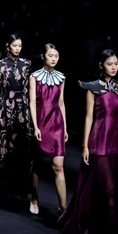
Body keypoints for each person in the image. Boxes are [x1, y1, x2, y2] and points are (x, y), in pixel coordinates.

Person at [59, 49, 118, 234]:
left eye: (116, 64)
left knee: (110, 186)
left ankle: (103, 227)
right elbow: (88, 118)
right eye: (110, 64)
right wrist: (84, 146)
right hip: (98, 142)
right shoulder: (93, 88)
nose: (114, 67)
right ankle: (116, 230)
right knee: (106, 187)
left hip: (115, 143)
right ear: (101, 65)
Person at [0, 34, 33, 197]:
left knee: (22, 149)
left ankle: (18, 188)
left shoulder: (27, 64)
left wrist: (30, 113)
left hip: (23, 110)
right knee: (3, 147)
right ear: (8, 46)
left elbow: (28, 89)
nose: (17, 48)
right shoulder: (0, 65)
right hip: (6, 109)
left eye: (19, 46)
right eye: (14, 45)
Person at [29, 43, 68, 216]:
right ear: (43, 56)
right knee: (38, 164)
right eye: (50, 55)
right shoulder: (34, 77)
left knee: (58, 166)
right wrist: (35, 126)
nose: (53, 58)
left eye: (56, 56)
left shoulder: (61, 77)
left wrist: (65, 127)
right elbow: (32, 102)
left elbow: (61, 103)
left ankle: (63, 208)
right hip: (41, 122)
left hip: (57, 123)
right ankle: (34, 199)